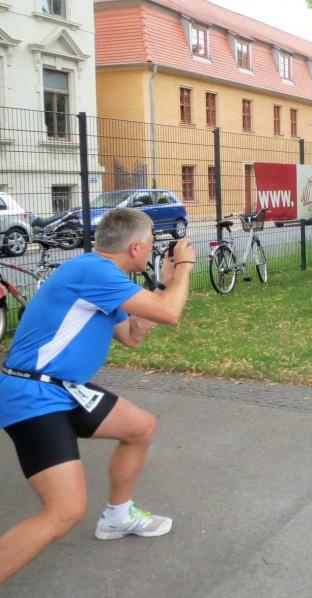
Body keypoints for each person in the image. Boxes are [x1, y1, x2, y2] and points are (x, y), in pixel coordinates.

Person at [0, 208, 195, 584]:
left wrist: (162, 284)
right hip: (33, 394)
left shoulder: (102, 277)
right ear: (135, 247)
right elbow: (170, 314)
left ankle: (118, 517)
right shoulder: (94, 272)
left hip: (62, 389)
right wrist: (184, 268)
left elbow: (132, 334)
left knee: (139, 428)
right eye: (151, 244)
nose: (152, 250)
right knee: (64, 512)